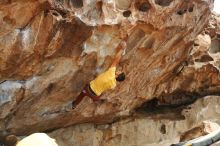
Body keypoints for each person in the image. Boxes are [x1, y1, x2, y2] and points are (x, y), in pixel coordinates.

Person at [72, 41, 126, 109]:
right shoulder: (113, 85)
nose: (119, 70)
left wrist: (122, 49)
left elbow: (116, 60)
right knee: (96, 96)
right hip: (94, 96)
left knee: (82, 94)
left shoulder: (111, 73)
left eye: (120, 71)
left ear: (118, 75)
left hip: (88, 89)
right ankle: (95, 100)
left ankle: (75, 104)